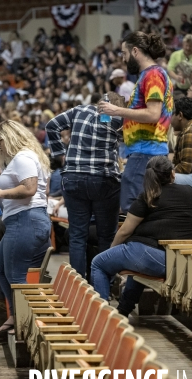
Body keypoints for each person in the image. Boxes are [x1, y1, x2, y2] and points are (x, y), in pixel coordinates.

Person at [90, 156, 192, 317]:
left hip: (146, 253)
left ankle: (102, 316)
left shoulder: (148, 196)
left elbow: (125, 231)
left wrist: (113, 250)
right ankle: (123, 311)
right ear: (173, 174)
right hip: (178, 261)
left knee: (98, 263)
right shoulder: (190, 191)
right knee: (136, 267)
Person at [0, 120, 51, 333]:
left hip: (26, 220)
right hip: (22, 220)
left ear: (9, 138)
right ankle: (15, 315)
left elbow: (29, 189)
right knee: (0, 267)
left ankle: (26, 325)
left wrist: (1, 193)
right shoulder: (24, 158)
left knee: (17, 276)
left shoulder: (23, 158)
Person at [46, 92, 124, 278]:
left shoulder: (80, 110)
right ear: (116, 106)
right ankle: (104, 282)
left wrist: (61, 154)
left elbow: (52, 125)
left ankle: (79, 285)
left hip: (73, 178)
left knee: (77, 235)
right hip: (103, 180)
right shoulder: (117, 119)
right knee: (106, 236)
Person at [98, 32, 173, 214]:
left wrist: (117, 111)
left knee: (131, 208)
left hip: (146, 152)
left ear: (135, 51)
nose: (123, 59)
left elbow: (153, 114)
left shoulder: (153, 75)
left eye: (124, 54)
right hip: (145, 152)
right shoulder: (149, 75)